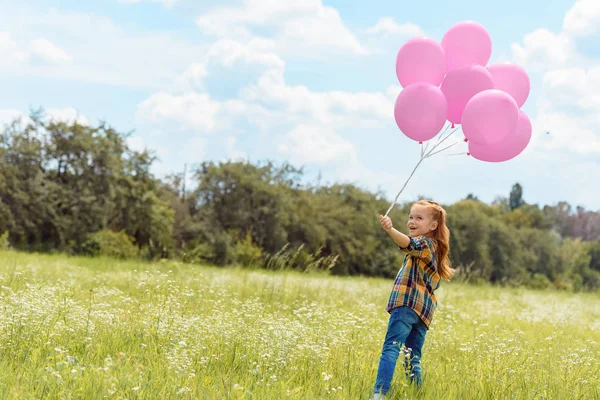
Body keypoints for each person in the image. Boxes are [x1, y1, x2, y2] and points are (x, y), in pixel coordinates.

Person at [372, 200, 454, 398]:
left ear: (433, 226)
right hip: (423, 313)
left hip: (407, 305)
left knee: (391, 349)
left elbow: (408, 243)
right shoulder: (434, 248)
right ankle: (417, 395)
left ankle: (379, 395)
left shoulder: (426, 244)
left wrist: (390, 229)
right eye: (410, 217)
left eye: (419, 218)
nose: (412, 221)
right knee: (412, 357)